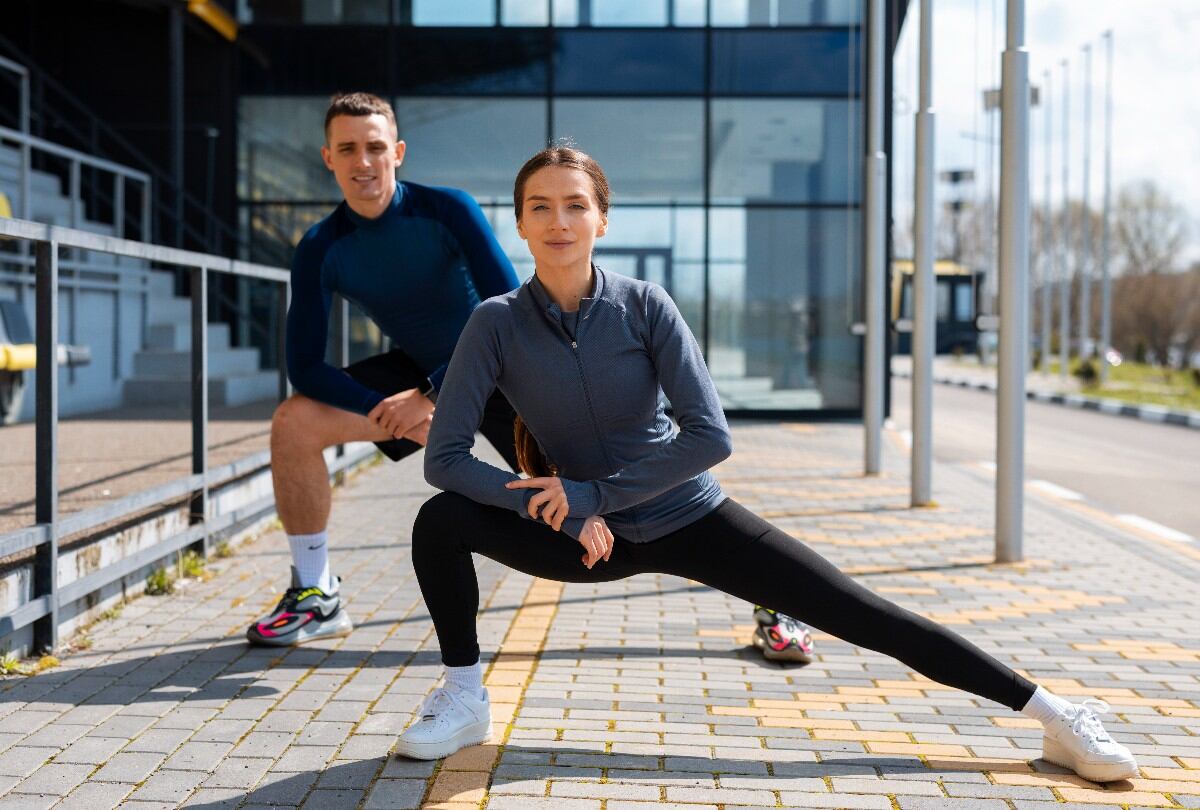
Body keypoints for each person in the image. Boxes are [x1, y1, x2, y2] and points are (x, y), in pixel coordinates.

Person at [392, 145, 1139, 784]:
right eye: (541, 207)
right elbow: (447, 459)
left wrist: (594, 494)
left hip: (689, 517)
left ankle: (1056, 715)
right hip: (585, 538)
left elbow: (709, 436)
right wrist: (546, 504)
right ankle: (463, 698)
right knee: (441, 521)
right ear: (518, 222)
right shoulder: (494, 323)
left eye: (576, 205)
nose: (559, 222)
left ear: (602, 218)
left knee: (864, 614)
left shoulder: (645, 306)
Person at [245, 92, 521, 646]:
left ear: (397, 151)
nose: (362, 161)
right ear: (328, 158)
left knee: (602, 504)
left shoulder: (447, 210)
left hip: (507, 374)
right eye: (347, 149)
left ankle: (748, 578)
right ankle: (315, 592)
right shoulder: (322, 246)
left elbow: (512, 313)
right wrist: (383, 409)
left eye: (374, 147)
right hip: (418, 383)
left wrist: (433, 395)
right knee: (294, 422)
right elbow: (304, 366)